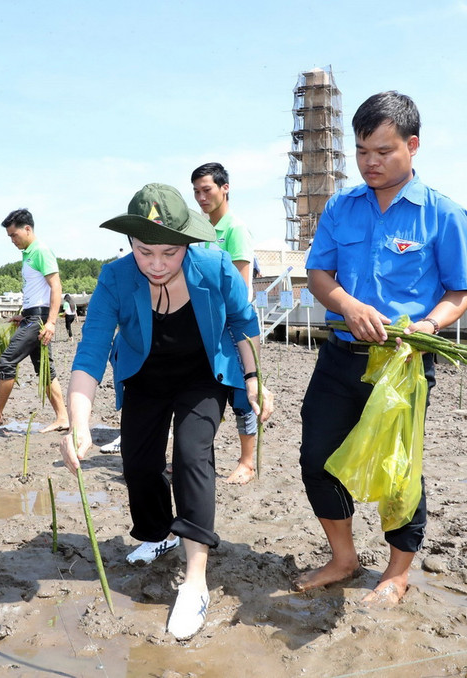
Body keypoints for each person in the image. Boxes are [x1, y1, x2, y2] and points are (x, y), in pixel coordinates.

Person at [60, 183, 273, 640]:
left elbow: (243, 323)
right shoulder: (115, 277)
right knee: (138, 464)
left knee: (193, 454)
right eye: (144, 251)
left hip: (203, 373)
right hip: (145, 375)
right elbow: (92, 351)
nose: (157, 264)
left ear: (188, 243)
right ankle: (160, 535)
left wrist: (253, 379)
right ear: (130, 245)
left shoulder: (214, 265)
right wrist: (78, 424)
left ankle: (196, 579)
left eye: (170, 252)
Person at [296, 92, 467, 606]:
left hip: (404, 363)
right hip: (340, 356)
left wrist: (426, 326)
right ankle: (344, 557)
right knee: (318, 459)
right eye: (361, 152)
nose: (370, 162)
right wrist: (348, 306)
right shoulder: (341, 208)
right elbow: (318, 275)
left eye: (383, 150)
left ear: (412, 146)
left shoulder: (443, 214)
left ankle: (397, 572)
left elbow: (459, 293)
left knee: (400, 470)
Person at [0, 209, 69, 433]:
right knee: (44, 369)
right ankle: (63, 417)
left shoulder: (41, 251)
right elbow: (38, 291)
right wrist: (24, 314)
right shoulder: (28, 254)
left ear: (27, 229)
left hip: (40, 319)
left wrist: (51, 323)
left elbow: (56, 287)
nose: (12, 240)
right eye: (9, 237)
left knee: (7, 361)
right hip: (32, 316)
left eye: (14, 235)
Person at [191, 162, 259, 485]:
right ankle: (197, 455)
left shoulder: (234, 230)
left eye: (207, 190)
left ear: (224, 188)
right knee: (202, 391)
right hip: (207, 325)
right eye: (196, 192)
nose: (201, 197)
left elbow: (241, 289)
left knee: (243, 395)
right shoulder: (201, 231)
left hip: (233, 327)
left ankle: (247, 462)